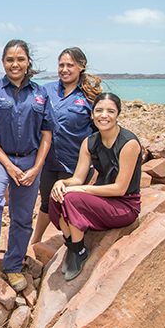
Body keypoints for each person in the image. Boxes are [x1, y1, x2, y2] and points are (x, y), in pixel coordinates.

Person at [0, 39, 55, 292]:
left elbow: (47, 136)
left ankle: (13, 265)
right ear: (3, 62)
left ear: (28, 61)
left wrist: (36, 168)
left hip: (31, 160)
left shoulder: (41, 94)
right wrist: (8, 165)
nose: (15, 64)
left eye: (20, 59)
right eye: (10, 59)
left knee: (22, 215)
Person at [49, 92, 142, 280]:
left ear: (118, 114)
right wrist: (62, 183)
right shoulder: (90, 141)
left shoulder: (128, 143)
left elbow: (120, 189)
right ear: (92, 114)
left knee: (72, 198)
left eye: (110, 111)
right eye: (99, 110)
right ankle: (73, 245)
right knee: (57, 196)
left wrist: (80, 189)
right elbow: (77, 179)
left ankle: (79, 251)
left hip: (124, 206)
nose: (104, 115)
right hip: (101, 201)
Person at [30, 47, 103, 245]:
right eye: (61, 65)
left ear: (81, 66)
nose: (64, 69)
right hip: (49, 161)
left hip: (76, 164)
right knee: (46, 204)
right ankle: (35, 241)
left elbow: (99, 132)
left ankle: (74, 246)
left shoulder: (90, 96)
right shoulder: (47, 90)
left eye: (70, 65)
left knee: (70, 206)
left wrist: (98, 165)